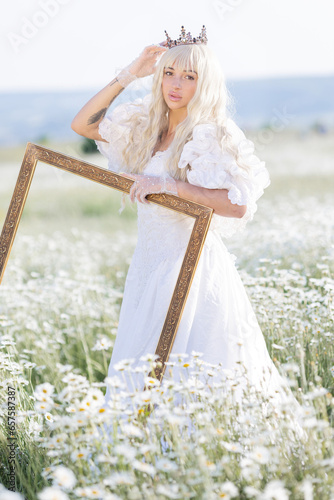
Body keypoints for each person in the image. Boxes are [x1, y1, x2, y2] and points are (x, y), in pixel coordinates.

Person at [71, 27, 303, 423]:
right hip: (147, 267)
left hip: (192, 268)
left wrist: (170, 185)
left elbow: (238, 205)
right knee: (142, 367)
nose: (176, 85)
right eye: (169, 73)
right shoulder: (146, 126)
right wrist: (131, 72)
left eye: (190, 77)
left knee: (196, 371)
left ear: (205, 83)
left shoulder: (210, 133)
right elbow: (84, 125)